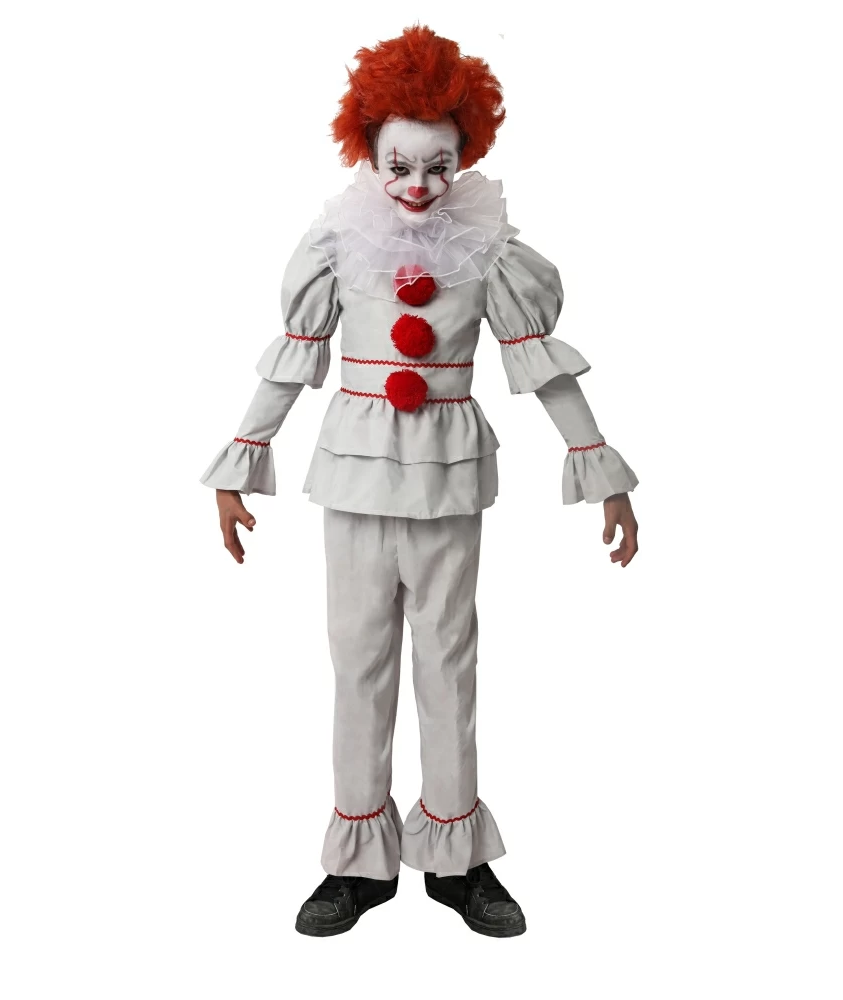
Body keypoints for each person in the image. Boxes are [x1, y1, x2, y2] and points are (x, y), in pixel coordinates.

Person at [201, 25, 640, 938]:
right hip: (356, 481)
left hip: (446, 483)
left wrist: (603, 473)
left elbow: (542, 367)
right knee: (358, 664)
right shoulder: (336, 247)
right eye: (399, 165)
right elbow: (292, 359)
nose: (417, 185)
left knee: (449, 662)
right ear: (369, 151)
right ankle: (357, 865)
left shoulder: (489, 253)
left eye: (438, 167)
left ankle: (455, 858)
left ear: (462, 156)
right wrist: (240, 463)